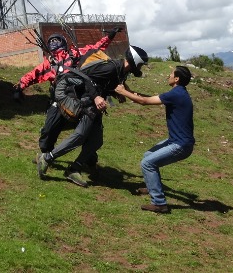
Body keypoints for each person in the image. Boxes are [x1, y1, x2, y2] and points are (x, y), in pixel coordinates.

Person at [36, 45, 149, 187]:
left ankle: (74, 169)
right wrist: (96, 97)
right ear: (135, 61)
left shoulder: (121, 72)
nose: (140, 68)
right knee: (80, 135)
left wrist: (116, 94)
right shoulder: (111, 67)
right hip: (86, 102)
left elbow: (104, 84)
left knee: (96, 141)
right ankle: (47, 158)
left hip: (95, 106)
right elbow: (85, 76)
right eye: (140, 65)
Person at [15, 28, 120, 154]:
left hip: (80, 98)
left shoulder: (76, 54)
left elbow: (95, 48)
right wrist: (20, 87)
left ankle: (89, 160)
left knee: (87, 130)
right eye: (51, 41)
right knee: (49, 129)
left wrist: (109, 36)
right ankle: (46, 153)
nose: (54, 43)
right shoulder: (50, 64)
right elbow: (33, 74)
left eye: (57, 40)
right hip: (59, 100)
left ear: (63, 42)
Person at [115, 65, 195, 213]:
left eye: (171, 74)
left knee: (147, 163)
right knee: (148, 156)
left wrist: (122, 91)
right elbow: (147, 98)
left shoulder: (176, 94)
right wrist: (128, 91)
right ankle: (152, 186)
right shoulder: (178, 93)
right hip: (177, 141)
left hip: (181, 145)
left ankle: (159, 203)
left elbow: (144, 102)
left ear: (176, 78)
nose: (168, 76)